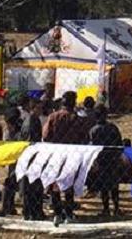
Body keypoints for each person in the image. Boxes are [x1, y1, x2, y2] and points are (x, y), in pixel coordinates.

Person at [44, 91, 84, 225]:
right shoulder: (77, 119)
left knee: (54, 185)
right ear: (73, 103)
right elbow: (82, 138)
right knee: (69, 186)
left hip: (55, 154)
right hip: (71, 155)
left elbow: (45, 136)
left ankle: (57, 213)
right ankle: (68, 213)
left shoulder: (53, 117)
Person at [88, 104, 124, 218]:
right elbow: (120, 144)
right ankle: (117, 208)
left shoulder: (93, 130)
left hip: (101, 161)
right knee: (114, 185)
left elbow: (91, 147)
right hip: (113, 159)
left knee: (103, 187)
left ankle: (106, 209)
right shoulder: (113, 128)